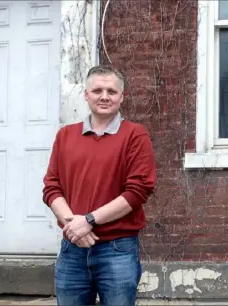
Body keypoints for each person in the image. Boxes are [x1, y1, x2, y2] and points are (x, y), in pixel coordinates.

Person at [42, 65, 157, 306]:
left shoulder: (135, 135)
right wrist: (74, 226)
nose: (104, 96)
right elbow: (52, 187)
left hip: (117, 250)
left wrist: (89, 221)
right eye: (97, 90)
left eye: (111, 91)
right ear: (86, 94)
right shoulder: (65, 135)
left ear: (122, 97)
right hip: (72, 249)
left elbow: (137, 192)